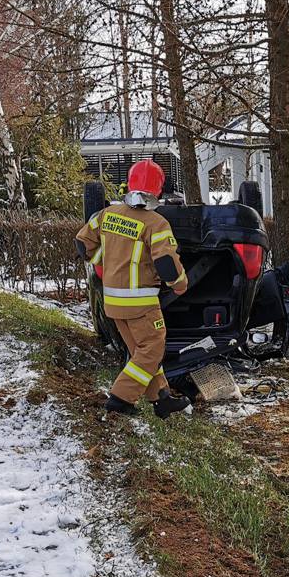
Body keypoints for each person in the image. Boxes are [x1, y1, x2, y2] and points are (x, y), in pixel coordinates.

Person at [76, 160, 191, 420]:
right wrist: (180, 284)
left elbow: (83, 245)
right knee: (152, 350)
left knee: (142, 353)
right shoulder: (156, 223)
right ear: (159, 190)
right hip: (141, 303)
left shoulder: (108, 214)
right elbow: (166, 264)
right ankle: (119, 400)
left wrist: (108, 263)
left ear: (129, 184)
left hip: (113, 302)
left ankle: (161, 400)